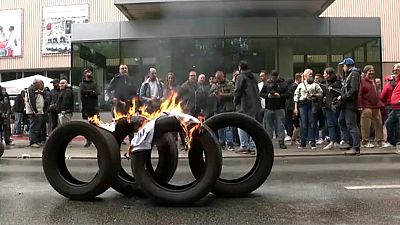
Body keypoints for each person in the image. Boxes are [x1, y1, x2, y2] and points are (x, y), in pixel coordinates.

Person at [233, 61, 261, 154]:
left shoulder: (241, 77)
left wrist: (235, 102)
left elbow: (238, 91)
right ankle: (252, 146)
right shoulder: (253, 77)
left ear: (240, 68)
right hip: (254, 105)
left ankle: (244, 146)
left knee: (241, 125)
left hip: (244, 105)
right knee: (251, 125)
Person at [337, 58, 361, 156]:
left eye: (344, 65)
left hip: (350, 103)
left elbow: (353, 89)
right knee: (341, 121)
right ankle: (350, 142)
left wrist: (343, 97)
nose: (343, 67)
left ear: (348, 65)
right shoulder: (349, 74)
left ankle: (356, 147)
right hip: (346, 103)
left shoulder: (354, 74)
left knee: (351, 125)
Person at [293, 69, 323, 150]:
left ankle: (312, 141)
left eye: (311, 74)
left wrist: (315, 95)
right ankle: (303, 142)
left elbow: (321, 93)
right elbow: (296, 96)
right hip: (303, 105)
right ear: (305, 75)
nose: (311, 75)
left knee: (312, 123)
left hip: (312, 104)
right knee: (303, 123)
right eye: (309, 74)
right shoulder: (301, 85)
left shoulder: (316, 85)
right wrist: (295, 107)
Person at [260, 70, 289, 149]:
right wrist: (268, 95)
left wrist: (279, 95)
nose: (274, 78)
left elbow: (288, 94)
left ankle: (281, 141)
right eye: (273, 77)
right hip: (269, 108)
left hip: (279, 108)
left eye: (275, 77)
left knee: (280, 126)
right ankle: (268, 142)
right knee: (268, 127)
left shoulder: (283, 84)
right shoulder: (267, 83)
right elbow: (261, 94)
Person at [358, 65, 384, 148]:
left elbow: (377, 94)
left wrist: (379, 103)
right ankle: (365, 141)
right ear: (365, 73)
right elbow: (360, 94)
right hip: (366, 106)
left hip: (376, 106)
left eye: (372, 71)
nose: (371, 73)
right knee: (366, 124)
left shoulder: (374, 81)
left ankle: (380, 141)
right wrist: (360, 106)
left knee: (379, 123)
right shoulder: (362, 82)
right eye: (369, 71)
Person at [210, 70, 235, 150]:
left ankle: (230, 143)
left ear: (223, 77)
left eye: (220, 78)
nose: (218, 80)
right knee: (219, 126)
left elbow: (233, 94)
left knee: (228, 127)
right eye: (217, 78)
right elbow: (208, 95)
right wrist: (213, 94)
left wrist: (222, 95)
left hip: (227, 108)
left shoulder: (229, 84)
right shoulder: (214, 85)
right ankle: (221, 143)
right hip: (217, 108)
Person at [321, 67, 342, 150]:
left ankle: (334, 141)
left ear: (329, 74)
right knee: (330, 124)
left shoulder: (336, 84)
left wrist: (332, 89)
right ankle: (333, 141)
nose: (324, 75)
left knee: (334, 124)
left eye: (325, 73)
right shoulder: (326, 83)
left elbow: (339, 92)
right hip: (327, 106)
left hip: (334, 107)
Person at [79, 67, 100, 147]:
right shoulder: (82, 84)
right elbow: (82, 92)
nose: (90, 73)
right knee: (87, 125)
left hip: (94, 106)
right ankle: (88, 140)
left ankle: (97, 140)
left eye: (90, 72)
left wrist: (89, 93)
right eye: (88, 72)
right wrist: (91, 92)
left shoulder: (94, 83)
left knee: (96, 124)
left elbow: (98, 92)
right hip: (86, 106)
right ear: (85, 74)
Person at [25, 78, 45, 148]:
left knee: (36, 127)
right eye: (40, 84)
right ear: (36, 83)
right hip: (34, 112)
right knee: (33, 126)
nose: (41, 86)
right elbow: (31, 101)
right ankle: (32, 142)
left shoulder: (35, 90)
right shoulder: (31, 89)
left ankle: (35, 141)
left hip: (37, 111)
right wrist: (35, 111)